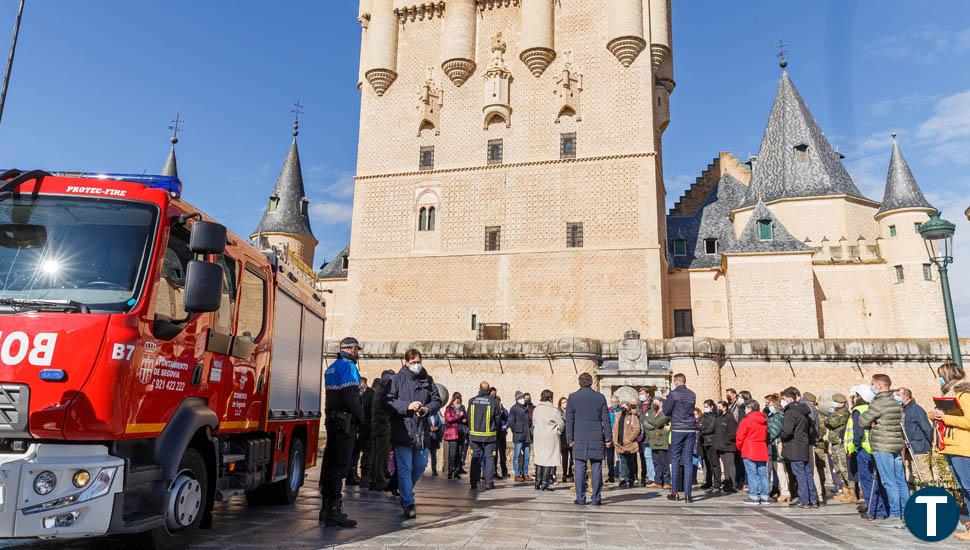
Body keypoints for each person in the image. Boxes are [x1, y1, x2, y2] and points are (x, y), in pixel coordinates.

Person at [384, 349, 442, 519]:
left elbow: (436, 400)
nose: (417, 365)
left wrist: (427, 409)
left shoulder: (427, 380)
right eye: (413, 362)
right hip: (403, 429)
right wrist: (407, 406)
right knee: (404, 467)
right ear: (406, 362)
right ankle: (408, 502)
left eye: (419, 361)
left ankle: (405, 490)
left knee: (420, 465)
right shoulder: (396, 379)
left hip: (421, 431)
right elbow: (387, 401)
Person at [319, 337, 365, 528]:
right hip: (345, 422)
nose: (357, 353)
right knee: (341, 464)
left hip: (332, 420)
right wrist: (362, 418)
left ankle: (326, 508)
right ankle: (334, 511)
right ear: (351, 349)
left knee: (330, 463)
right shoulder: (349, 367)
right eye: (356, 349)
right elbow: (352, 398)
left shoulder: (331, 367)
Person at [857, 374, 907, 529]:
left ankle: (895, 516)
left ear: (879, 386)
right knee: (900, 481)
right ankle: (907, 514)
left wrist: (871, 422)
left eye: (872, 384)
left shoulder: (877, 403)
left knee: (889, 481)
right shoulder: (895, 402)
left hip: (883, 446)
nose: (871, 387)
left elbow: (862, 421)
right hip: (896, 446)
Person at [932, 362, 970, 542]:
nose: (938, 378)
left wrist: (944, 417)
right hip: (952, 446)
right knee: (964, 488)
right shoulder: (951, 395)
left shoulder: (964, 395)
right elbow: (936, 415)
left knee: (969, 488)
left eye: (941, 375)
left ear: (948, 376)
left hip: (963, 448)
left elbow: (969, 421)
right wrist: (935, 414)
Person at [566, 372, 612, 506]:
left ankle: (580, 498)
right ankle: (596, 498)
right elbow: (606, 420)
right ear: (591, 382)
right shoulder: (600, 397)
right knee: (596, 467)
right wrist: (608, 438)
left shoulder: (573, 398)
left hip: (579, 437)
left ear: (579, 383)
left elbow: (569, 420)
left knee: (579, 467)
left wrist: (569, 438)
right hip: (596, 437)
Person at [846, 385, 888, 520]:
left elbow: (858, 432)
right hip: (878, 447)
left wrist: (856, 445)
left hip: (864, 448)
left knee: (867, 481)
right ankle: (883, 508)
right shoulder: (874, 407)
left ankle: (873, 509)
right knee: (880, 480)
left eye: (857, 395)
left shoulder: (858, 410)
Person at [780, 387, 818, 509]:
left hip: (794, 446)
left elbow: (787, 431)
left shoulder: (791, 412)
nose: (783, 401)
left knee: (799, 474)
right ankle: (812, 499)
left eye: (784, 399)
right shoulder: (804, 411)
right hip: (803, 444)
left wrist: (782, 436)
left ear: (790, 398)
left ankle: (804, 500)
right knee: (807, 473)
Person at [663, 373, 698, 503]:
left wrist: (666, 399)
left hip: (678, 428)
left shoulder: (673, 394)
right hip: (691, 428)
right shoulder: (692, 394)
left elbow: (667, 411)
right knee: (688, 461)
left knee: (675, 459)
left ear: (676, 382)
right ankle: (688, 495)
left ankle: (675, 492)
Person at [896, 387, 934, 486]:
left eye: (899, 396)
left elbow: (927, 428)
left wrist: (930, 443)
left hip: (920, 448)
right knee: (914, 476)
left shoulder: (916, 410)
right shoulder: (903, 410)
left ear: (907, 397)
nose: (897, 398)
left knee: (924, 475)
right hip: (910, 449)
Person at [467, 381, 500, 491]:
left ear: (479, 388)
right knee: (489, 458)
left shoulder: (471, 401)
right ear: (489, 389)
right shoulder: (494, 402)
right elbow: (498, 419)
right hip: (489, 436)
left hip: (475, 436)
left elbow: (468, 417)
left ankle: (473, 482)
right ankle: (488, 483)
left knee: (475, 457)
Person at [736, 400, 769, 504]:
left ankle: (753, 496)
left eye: (746, 408)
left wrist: (740, 447)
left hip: (749, 448)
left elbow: (740, 436)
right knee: (762, 474)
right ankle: (765, 496)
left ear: (749, 408)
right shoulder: (763, 419)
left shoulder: (746, 420)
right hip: (761, 448)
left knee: (752, 473)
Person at [532, 389, 565, 491]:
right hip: (550, 436)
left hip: (538, 436)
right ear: (550, 398)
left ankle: (537, 482)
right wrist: (558, 431)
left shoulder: (536, 409)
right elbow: (561, 423)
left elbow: (533, 422)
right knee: (548, 459)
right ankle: (545, 484)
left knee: (539, 458)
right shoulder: (553, 410)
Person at [369, 370, 396, 492]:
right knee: (382, 456)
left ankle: (374, 480)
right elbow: (391, 408)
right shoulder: (385, 391)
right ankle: (381, 481)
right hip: (384, 427)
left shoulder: (379, 390)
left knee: (376, 454)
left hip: (377, 427)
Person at [799, 391, 827, 505]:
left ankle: (818, 494)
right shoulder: (815, 411)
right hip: (814, 442)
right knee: (815, 469)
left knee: (814, 469)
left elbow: (820, 429)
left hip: (815, 443)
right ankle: (819, 494)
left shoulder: (813, 412)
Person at [825, 393, 852, 502]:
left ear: (841, 403)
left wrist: (830, 417)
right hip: (835, 443)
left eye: (836, 402)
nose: (834, 404)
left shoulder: (843, 413)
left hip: (841, 443)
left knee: (844, 468)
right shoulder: (836, 412)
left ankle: (852, 491)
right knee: (838, 468)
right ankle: (845, 491)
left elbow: (832, 422)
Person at [765, 394, 789, 502]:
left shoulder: (778, 416)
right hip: (775, 445)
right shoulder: (774, 415)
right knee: (777, 468)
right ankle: (782, 490)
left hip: (777, 444)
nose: (767, 405)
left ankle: (785, 492)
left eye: (769, 403)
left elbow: (774, 430)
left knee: (780, 469)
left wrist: (765, 438)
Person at [613, 397, 642, 488]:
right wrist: (615, 440)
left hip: (629, 444)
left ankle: (632, 478)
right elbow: (615, 428)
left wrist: (629, 439)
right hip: (620, 443)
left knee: (631, 462)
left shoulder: (633, 417)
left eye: (625, 406)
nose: (623, 408)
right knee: (623, 462)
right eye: (622, 406)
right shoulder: (617, 416)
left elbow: (637, 429)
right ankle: (623, 479)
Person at [643, 397, 670, 490]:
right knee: (656, 462)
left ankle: (667, 481)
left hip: (662, 441)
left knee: (664, 463)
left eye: (656, 402)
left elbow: (658, 422)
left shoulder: (665, 412)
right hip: (653, 440)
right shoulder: (651, 412)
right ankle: (657, 481)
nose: (654, 404)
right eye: (653, 402)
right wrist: (653, 423)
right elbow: (645, 422)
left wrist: (651, 422)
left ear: (661, 403)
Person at [509, 391, 534, 482]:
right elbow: (511, 422)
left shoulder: (526, 408)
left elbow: (530, 422)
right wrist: (517, 430)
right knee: (516, 456)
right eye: (522, 398)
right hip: (518, 436)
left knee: (526, 456)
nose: (523, 399)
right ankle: (517, 474)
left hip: (527, 436)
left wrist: (530, 430)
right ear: (518, 399)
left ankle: (525, 474)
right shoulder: (514, 408)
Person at [713, 400, 738, 493]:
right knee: (725, 465)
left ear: (725, 408)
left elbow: (732, 432)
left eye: (720, 407)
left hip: (728, 446)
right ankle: (727, 482)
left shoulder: (729, 417)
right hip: (720, 446)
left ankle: (733, 484)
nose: (718, 409)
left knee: (730, 465)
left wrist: (727, 441)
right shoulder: (718, 417)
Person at [699, 399, 720, 490]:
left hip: (711, 441)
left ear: (711, 407)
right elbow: (701, 425)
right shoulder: (704, 416)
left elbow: (710, 428)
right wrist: (701, 429)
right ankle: (708, 481)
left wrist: (701, 431)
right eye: (704, 407)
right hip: (704, 442)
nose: (705, 409)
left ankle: (717, 482)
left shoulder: (714, 415)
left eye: (707, 407)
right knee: (707, 463)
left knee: (714, 463)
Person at [637, 387, 656, 486]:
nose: (641, 395)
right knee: (647, 456)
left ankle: (657, 477)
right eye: (639, 393)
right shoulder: (639, 405)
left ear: (648, 394)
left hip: (652, 433)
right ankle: (652, 477)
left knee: (655, 456)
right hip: (643, 435)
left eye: (643, 393)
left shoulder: (653, 404)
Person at [490, 387, 510, 479]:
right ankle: (493, 471)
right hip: (494, 434)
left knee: (502, 454)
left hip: (502, 434)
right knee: (494, 454)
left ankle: (504, 471)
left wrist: (505, 426)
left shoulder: (504, 411)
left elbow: (508, 420)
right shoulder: (491, 408)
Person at [607, 394, 621, 483]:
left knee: (620, 457)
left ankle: (621, 476)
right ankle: (611, 476)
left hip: (619, 436)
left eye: (615, 402)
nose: (613, 404)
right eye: (612, 402)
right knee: (609, 458)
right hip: (610, 436)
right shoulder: (608, 411)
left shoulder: (621, 411)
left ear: (618, 402)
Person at [558, 396, 572, 482]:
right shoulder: (558, 412)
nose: (565, 404)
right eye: (563, 402)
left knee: (573, 457)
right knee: (565, 457)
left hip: (571, 437)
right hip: (563, 437)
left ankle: (571, 472)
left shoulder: (570, 411)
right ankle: (564, 475)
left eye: (566, 402)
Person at [428, 407, 443, 477]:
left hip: (434, 438)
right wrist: (429, 428)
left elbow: (440, 423)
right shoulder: (426, 415)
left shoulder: (436, 415)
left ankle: (434, 470)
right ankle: (421, 469)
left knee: (433, 455)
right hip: (427, 438)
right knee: (424, 454)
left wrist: (437, 427)